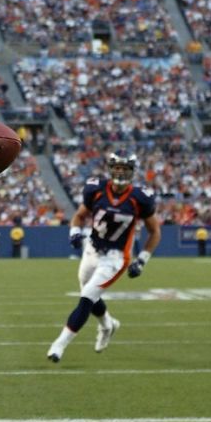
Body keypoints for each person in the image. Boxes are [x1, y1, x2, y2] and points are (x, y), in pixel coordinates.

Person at [47, 152, 161, 363]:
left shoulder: (140, 198)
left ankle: (58, 346)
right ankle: (108, 325)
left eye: (124, 168)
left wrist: (142, 260)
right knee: (88, 293)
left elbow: (155, 231)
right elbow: (79, 216)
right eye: (117, 168)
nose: (120, 172)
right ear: (110, 169)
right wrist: (74, 232)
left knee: (87, 297)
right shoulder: (96, 189)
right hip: (91, 249)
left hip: (115, 258)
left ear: (132, 172)